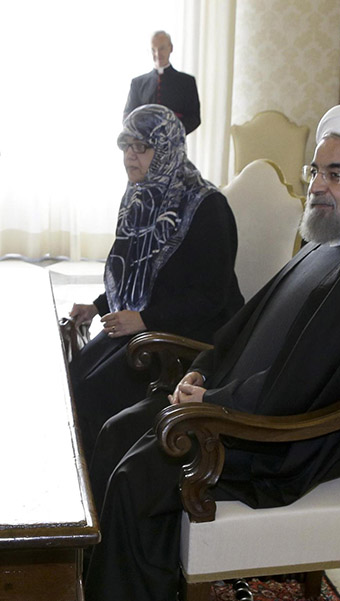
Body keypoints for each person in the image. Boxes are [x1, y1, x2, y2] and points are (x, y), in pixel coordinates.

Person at [78, 103, 340, 601]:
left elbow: (317, 381)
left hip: (283, 439)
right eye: (315, 172)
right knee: (118, 429)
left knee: (143, 472)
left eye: (334, 174)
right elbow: (244, 323)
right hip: (244, 406)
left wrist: (215, 406)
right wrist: (204, 372)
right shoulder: (323, 244)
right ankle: (117, 589)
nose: (316, 186)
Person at [68, 105, 242, 458]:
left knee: (92, 390)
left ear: (166, 151)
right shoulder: (140, 195)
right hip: (144, 322)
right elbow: (134, 271)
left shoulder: (206, 206)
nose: (130, 156)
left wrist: (146, 320)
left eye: (142, 147)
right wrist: (99, 306)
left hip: (188, 336)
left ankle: (97, 495)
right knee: (76, 371)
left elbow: (211, 298)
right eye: (126, 145)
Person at [124, 31, 201, 136]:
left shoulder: (186, 82)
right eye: (153, 50)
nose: (157, 54)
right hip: (144, 146)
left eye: (162, 48)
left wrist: (172, 132)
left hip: (175, 145)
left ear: (171, 48)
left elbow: (194, 118)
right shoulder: (138, 83)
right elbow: (128, 116)